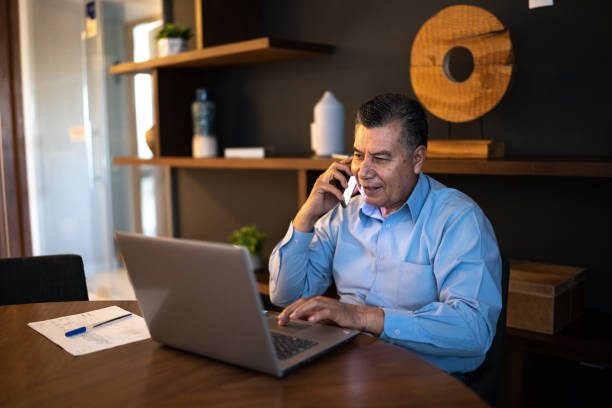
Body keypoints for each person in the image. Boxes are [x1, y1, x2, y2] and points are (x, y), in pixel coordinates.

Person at [268, 93, 501, 374]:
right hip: (349, 367)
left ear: (417, 159)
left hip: (422, 379)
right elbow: (284, 296)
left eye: (380, 158)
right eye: (357, 155)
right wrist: (307, 213)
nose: (363, 172)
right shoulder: (343, 212)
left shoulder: (458, 219)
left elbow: (473, 331)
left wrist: (362, 317)